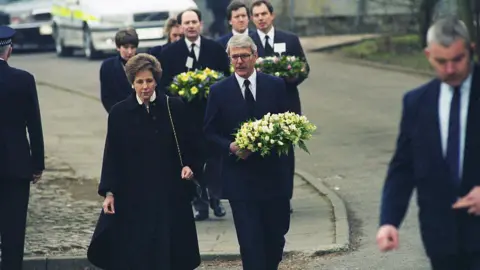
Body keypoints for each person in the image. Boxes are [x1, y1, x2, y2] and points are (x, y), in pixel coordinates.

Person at [376, 17, 480, 270]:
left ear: (471, 50)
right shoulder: (416, 102)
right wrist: (389, 220)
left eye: (458, 59)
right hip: (440, 239)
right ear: (428, 54)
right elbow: (403, 166)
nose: (450, 69)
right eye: (441, 61)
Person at [87, 53, 201, 270]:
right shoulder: (120, 113)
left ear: (156, 80)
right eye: (139, 82)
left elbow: (192, 145)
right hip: (134, 195)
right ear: (132, 83)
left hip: (169, 193)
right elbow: (112, 155)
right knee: (138, 252)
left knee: (171, 252)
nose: (145, 86)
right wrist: (109, 192)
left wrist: (190, 166)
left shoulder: (174, 107)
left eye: (149, 81)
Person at [204, 34, 291, 269]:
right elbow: (209, 132)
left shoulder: (275, 85)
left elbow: (288, 125)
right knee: (250, 241)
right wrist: (230, 146)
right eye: (235, 57)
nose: (240, 61)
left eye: (244, 56)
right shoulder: (219, 91)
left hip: (272, 177)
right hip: (240, 179)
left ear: (255, 56)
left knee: (274, 237)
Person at [159, 8, 230, 221]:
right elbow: (164, 84)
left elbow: (226, 78)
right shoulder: (170, 53)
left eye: (194, 22)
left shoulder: (215, 49)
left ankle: (216, 198)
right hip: (185, 115)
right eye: (186, 23)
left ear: (201, 24)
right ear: (180, 27)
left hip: (211, 112)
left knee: (215, 156)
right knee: (192, 157)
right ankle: (199, 202)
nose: (190, 26)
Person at [250, 0, 310, 213]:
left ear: (272, 15)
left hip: (286, 103)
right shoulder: (248, 42)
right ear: (252, 19)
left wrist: (288, 79)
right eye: (256, 15)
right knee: (260, 151)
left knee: (285, 154)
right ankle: (264, 196)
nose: (260, 18)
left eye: (264, 13)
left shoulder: (289, 40)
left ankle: (285, 197)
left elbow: (304, 68)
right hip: (257, 106)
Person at [0, 25, 45, 270]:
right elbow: (34, 126)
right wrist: (37, 164)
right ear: (10, 51)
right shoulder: (23, 80)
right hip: (16, 165)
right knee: (13, 231)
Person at [99, 28, 139, 113]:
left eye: (133, 47)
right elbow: (106, 96)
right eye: (126, 47)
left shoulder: (144, 64)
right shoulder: (108, 66)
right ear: (118, 47)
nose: (129, 51)